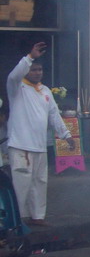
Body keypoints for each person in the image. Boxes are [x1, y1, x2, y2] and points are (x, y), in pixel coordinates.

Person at [6, 42, 75, 226]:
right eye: (34, 69)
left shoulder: (45, 91)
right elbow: (14, 75)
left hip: (39, 146)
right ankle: (18, 219)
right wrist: (30, 57)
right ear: (27, 70)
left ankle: (37, 216)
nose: (37, 73)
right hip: (21, 146)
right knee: (21, 184)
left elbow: (54, 114)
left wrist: (66, 135)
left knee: (39, 182)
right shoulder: (16, 87)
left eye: (40, 70)